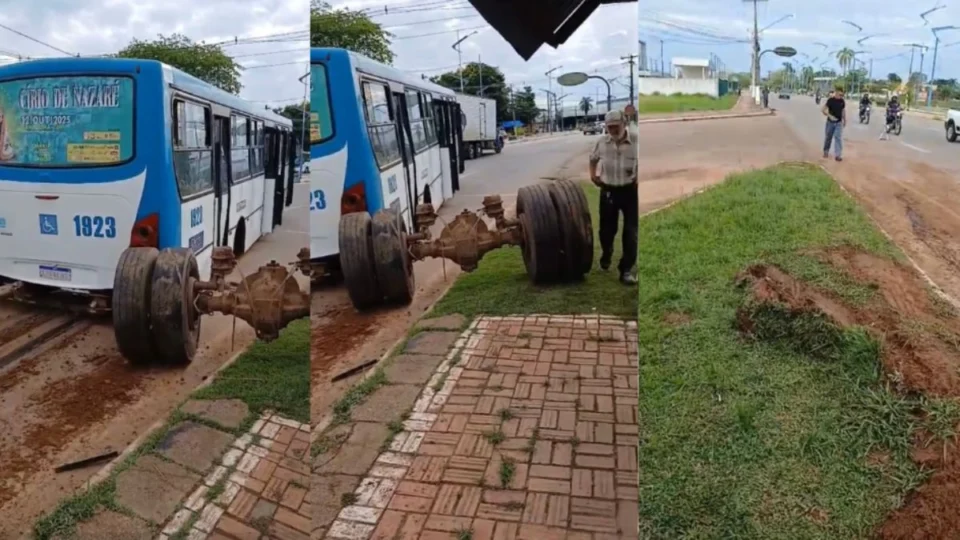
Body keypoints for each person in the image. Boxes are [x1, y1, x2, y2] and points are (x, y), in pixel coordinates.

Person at [589, 110, 637, 286]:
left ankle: (626, 270)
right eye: (609, 127)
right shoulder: (601, 142)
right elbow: (592, 159)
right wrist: (593, 176)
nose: (612, 130)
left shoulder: (636, 140)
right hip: (608, 190)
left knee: (631, 233)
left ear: (624, 124)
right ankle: (607, 252)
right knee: (607, 231)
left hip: (631, 191)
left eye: (616, 126)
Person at [821, 87, 846, 161]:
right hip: (830, 122)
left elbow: (843, 111)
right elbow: (823, 110)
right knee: (828, 137)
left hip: (838, 122)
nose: (841, 96)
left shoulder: (842, 101)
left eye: (842, 94)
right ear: (836, 92)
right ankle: (826, 151)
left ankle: (838, 155)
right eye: (840, 94)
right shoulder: (830, 100)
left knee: (838, 137)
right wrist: (830, 116)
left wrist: (845, 119)